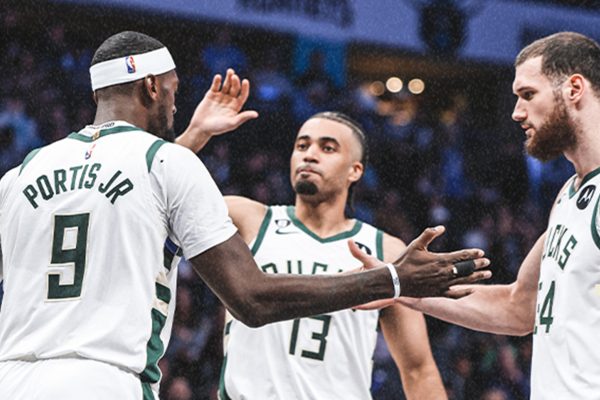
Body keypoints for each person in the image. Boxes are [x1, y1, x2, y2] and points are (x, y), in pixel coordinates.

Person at [0, 31, 489, 399]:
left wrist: (192, 138)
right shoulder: (234, 206)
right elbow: (251, 297)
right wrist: (393, 281)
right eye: (173, 88)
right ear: (151, 87)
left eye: (326, 146)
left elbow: (137, 188)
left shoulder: (20, 175)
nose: (176, 100)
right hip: (102, 380)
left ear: (357, 169)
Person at [361, 31, 600, 399]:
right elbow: (518, 306)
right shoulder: (569, 196)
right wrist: (403, 289)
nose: (517, 112)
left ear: (574, 88)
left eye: (528, 95)